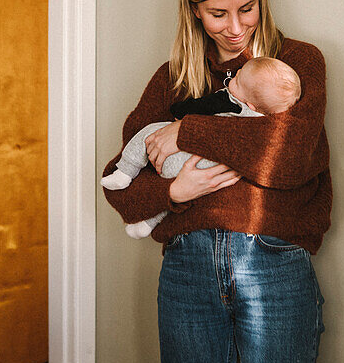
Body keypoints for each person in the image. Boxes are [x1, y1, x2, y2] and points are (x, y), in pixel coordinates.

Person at [102, 0, 330, 363]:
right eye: (217, 14)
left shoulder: (297, 63)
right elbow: (119, 184)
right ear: (194, 11)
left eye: (246, 8)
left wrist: (187, 130)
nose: (235, 27)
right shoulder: (174, 78)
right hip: (186, 267)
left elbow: (289, 157)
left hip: (274, 259)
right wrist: (174, 190)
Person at [101, 56, 302, 239]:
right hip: (209, 177)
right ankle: (148, 222)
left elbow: (196, 108)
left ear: (250, 104)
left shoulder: (229, 100)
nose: (234, 77)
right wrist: (173, 191)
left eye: (238, 81)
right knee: (186, 190)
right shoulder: (267, 118)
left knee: (151, 132)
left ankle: (126, 170)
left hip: (182, 165)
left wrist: (184, 126)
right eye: (218, 14)